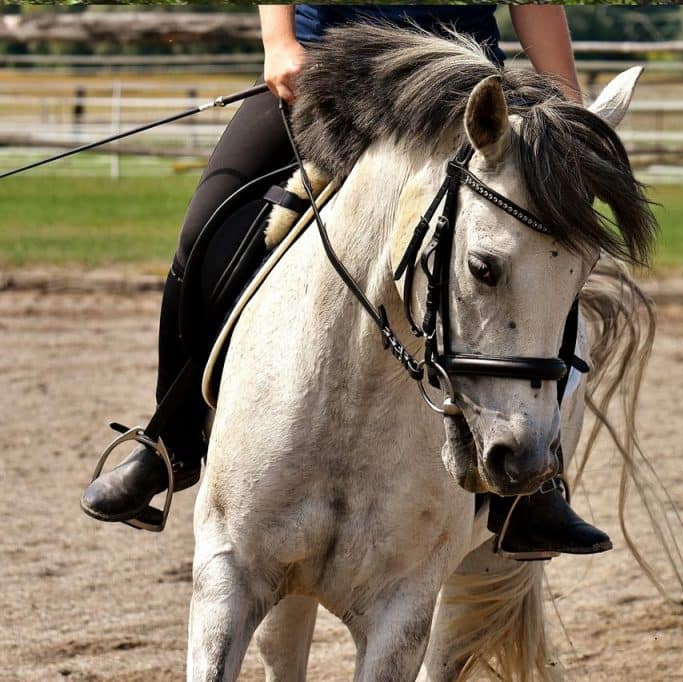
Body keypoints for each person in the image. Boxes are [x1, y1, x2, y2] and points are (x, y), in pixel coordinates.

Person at [81, 5, 612, 559]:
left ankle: (532, 486)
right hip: (332, 72)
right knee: (204, 234)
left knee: (544, 245)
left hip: (462, 85)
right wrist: (279, 41)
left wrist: (567, 104)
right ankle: (171, 439)